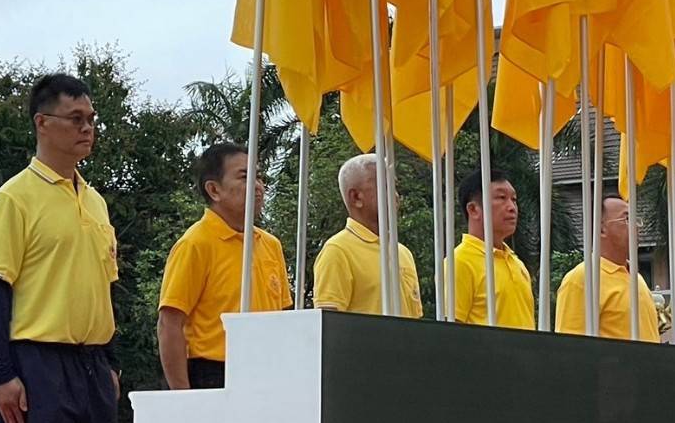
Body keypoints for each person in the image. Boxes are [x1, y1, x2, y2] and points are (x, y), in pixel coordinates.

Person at [0, 73, 121, 423]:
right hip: (37, 362)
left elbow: (105, 287)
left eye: (92, 119)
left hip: (92, 365)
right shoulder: (14, 199)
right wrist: (2, 374)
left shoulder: (96, 201)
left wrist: (111, 366)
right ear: (42, 123)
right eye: (75, 118)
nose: (87, 128)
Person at [158, 142, 292, 389]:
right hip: (213, 373)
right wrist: (182, 397)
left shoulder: (270, 245)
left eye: (259, 176)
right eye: (245, 176)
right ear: (214, 190)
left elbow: (283, 318)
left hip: (267, 373)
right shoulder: (195, 244)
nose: (258, 186)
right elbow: (170, 323)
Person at [313, 154, 423, 318]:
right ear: (356, 197)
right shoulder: (337, 251)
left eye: (395, 186)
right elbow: (328, 325)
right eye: (385, 187)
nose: (395, 196)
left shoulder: (403, 252)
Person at [556, 196, 660, 341]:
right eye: (627, 220)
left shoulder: (637, 278)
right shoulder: (583, 278)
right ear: (601, 229)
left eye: (636, 220)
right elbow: (570, 348)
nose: (636, 227)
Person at [450, 169, 535, 328]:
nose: (512, 207)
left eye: (514, 199)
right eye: (501, 198)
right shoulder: (459, 261)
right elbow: (451, 334)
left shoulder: (517, 263)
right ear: (474, 209)